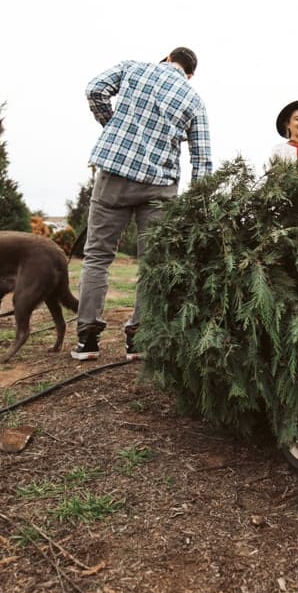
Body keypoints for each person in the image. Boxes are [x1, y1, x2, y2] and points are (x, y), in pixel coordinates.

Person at [71, 46, 212, 362]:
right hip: (160, 187)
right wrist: (198, 207)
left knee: (97, 256)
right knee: (152, 265)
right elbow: (202, 159)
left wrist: (112, 126)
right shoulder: (193, 100)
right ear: (190, 75)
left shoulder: (134, 68)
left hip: (115, 176)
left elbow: (95, 89)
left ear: (165, 59)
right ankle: (138, 340)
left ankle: (88, 341)